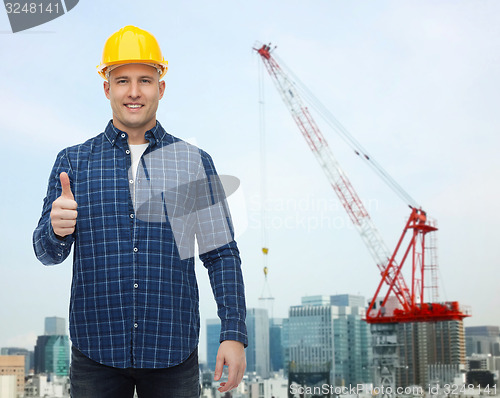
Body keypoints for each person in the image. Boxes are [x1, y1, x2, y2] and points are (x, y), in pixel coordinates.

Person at [33, 25, 247, 398]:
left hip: (172, 353)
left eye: (145, 80)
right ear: (107, 88)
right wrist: (56, 229)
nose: (134, 92)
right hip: (95, 351)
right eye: (122, 81)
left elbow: (221, 254)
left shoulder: (191, 162)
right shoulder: (73, 162)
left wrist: (233, 332)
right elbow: (47, 253)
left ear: (161, 88)